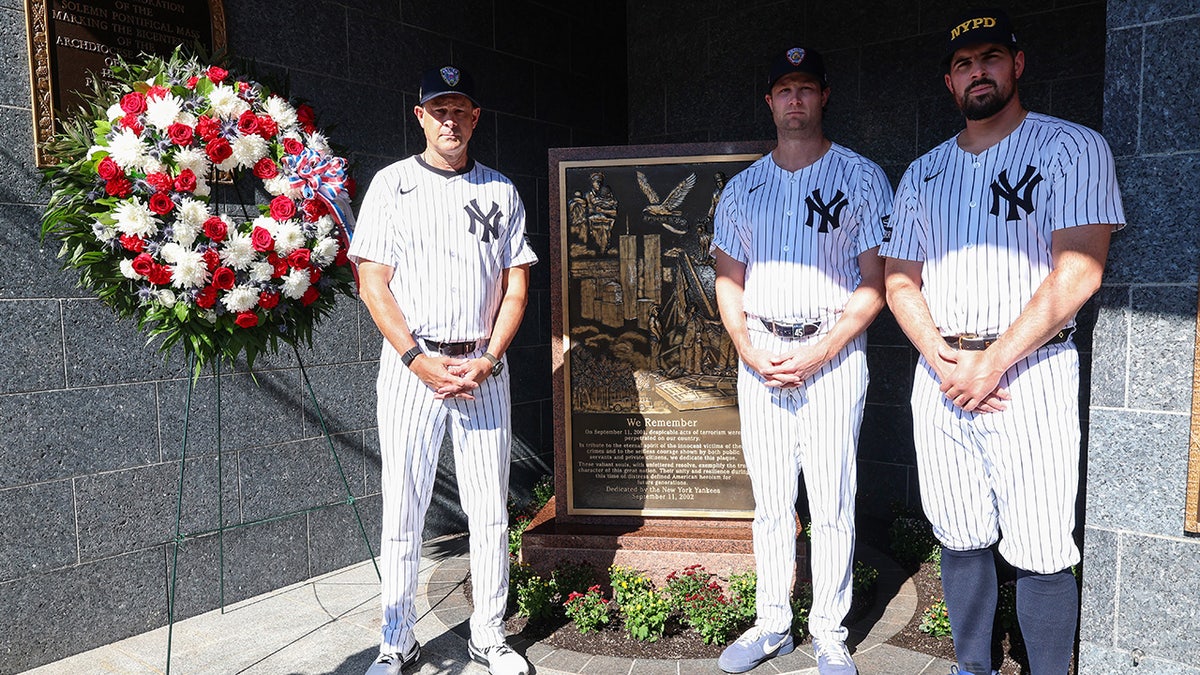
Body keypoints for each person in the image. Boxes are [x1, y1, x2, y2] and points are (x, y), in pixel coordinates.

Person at [879, 9, 1124, 675]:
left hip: (1030, 372)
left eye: (990, 57)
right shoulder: (923, 172)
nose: (977, 71)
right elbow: (899, 278)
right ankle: (973, 666)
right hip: (943, 371)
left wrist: (991, 363)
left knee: (1042, 543)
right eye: (963, 63)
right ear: (949, 82)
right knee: (958, 531)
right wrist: (941, 357)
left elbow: (1080, 270)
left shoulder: (1071, 147)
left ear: (1017, 64)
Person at [350, 65, 537, 675]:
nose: (450, 120)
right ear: (421, 116)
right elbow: (373, 283)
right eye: (439, 110)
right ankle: (396, 640)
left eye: (460, 110)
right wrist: (416, 358)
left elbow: (515, 287)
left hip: (483, 366)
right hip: (414, 365)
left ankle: (489, 636)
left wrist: (489, 357)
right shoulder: (391, 184)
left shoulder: (501, 190)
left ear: (475, 118)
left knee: (489, 511)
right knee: (403, 507)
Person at [712, 46, 891, 675]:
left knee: (832, 499)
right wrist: (749, 349)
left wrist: (819, 350)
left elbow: (876, 283)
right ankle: (771, 625)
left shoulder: (862, 177)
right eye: (785, 88)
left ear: (824, 96)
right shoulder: (743, 187)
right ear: (770, 101)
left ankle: (829, 633)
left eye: (806, 87)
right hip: (761, 352)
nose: (795, 98)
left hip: (832, 355)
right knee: (770, 502)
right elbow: (728, 281)